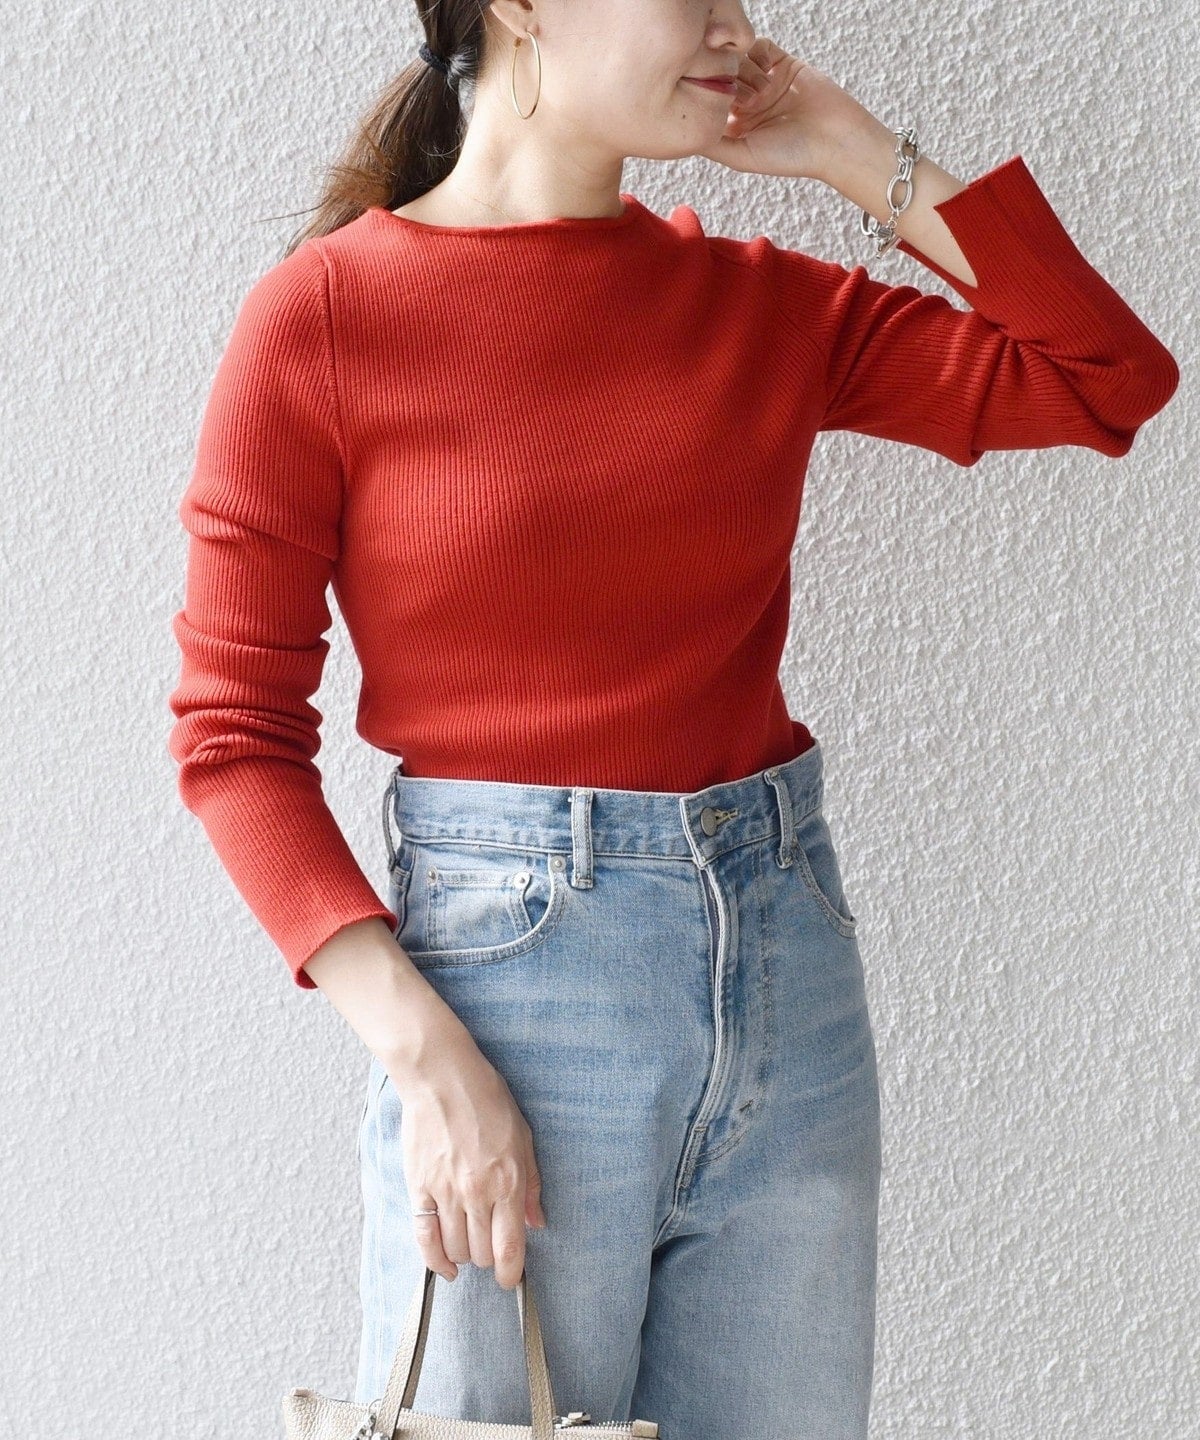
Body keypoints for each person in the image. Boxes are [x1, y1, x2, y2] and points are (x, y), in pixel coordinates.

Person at [166, 3, 1179, 1437]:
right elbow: (233, 738)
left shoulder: (759, 307)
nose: (731, 26)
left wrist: (846, 146)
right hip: (507, 1002)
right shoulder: (327, 317)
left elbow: (1106, 378)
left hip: (786, 967)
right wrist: (427, 1060)